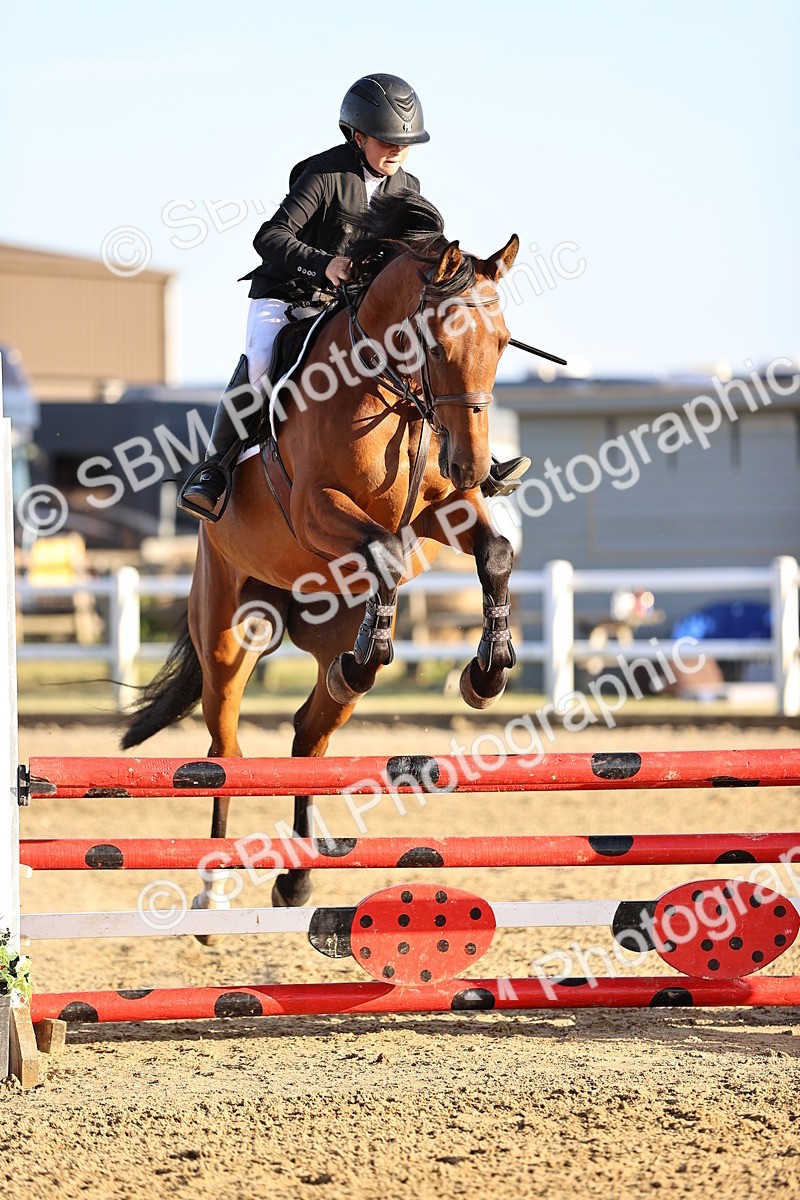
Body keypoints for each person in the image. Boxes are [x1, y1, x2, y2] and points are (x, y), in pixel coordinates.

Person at [179, 73, 529, 521]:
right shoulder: (325, 174)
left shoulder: (407, 188)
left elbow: (426, 259)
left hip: (349, 305)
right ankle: (215, 468)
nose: (396, 151)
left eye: (405, 143)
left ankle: (472, 458)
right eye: (386, 141)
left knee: (421, 358)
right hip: (290, 293)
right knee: (263, 363)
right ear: (358, 136)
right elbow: (269, 237)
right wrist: (324, 264)